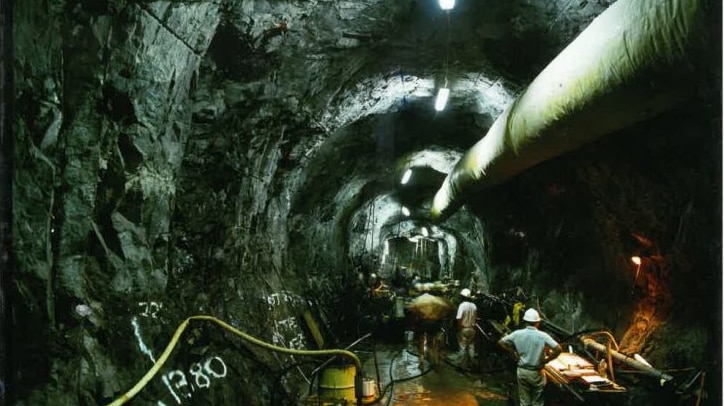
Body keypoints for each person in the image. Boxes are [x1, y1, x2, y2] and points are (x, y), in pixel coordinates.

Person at [498, 308, 563, 406]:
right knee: (537, 402)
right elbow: (558, 349)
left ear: (525, 322)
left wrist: (514, 352)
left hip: (522, 371)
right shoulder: (543, 336)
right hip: (536, 373)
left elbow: (501, 342)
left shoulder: (517, 334)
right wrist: (546, 360)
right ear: (537, 322)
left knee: (524, 401)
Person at [406, 293, 451, 368]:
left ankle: (421, 360)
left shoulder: (420, 301)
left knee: (421, 342)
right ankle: (435, 359)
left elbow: (412, 311)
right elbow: (446, 310)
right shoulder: (436, 302)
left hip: (423, 323)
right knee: (433, 341)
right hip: (434, 324)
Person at [456, 288, 477, 369]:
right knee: (471, 346)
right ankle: (472, 364)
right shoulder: (474, 306)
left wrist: (459, 328)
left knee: (462, 347)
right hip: (472, 328)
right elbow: (475, 318)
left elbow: (459, 318)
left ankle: (460, 365)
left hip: (463, 328)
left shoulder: (462, 305)